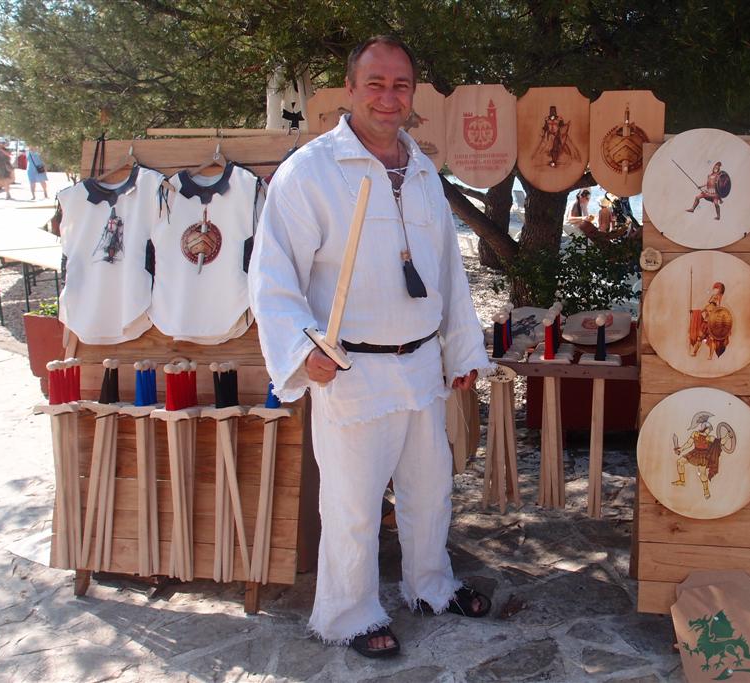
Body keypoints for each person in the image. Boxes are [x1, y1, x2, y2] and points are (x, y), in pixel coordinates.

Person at [248, 35, 491, 659]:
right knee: (353, 506)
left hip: (420, 364)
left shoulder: (423, 170)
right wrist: (303, 350)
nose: (388, 97)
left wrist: (461, 350)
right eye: (375, 84)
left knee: (429, 491)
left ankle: (429, 586)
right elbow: (272, 277)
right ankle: (348, 613)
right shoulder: (311, 172)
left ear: (413, 93)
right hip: (351, 369)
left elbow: (447, 268)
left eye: (400, 85)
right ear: (351, 89)